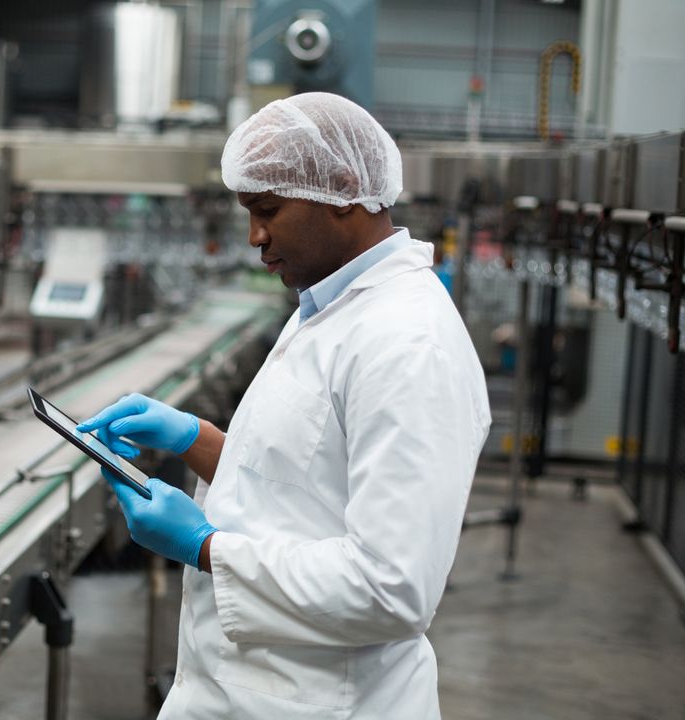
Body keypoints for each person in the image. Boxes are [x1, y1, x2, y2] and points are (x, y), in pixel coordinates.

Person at [77, 92, 491, 719]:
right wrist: (194, 439)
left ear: (345, 189)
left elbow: (393, 588)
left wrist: (205, 547)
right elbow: (305, 487)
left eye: (267, 209)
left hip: (322, 700)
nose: (254, 237)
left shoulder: (408, 346)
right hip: (252, 686)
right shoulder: (329, 305)